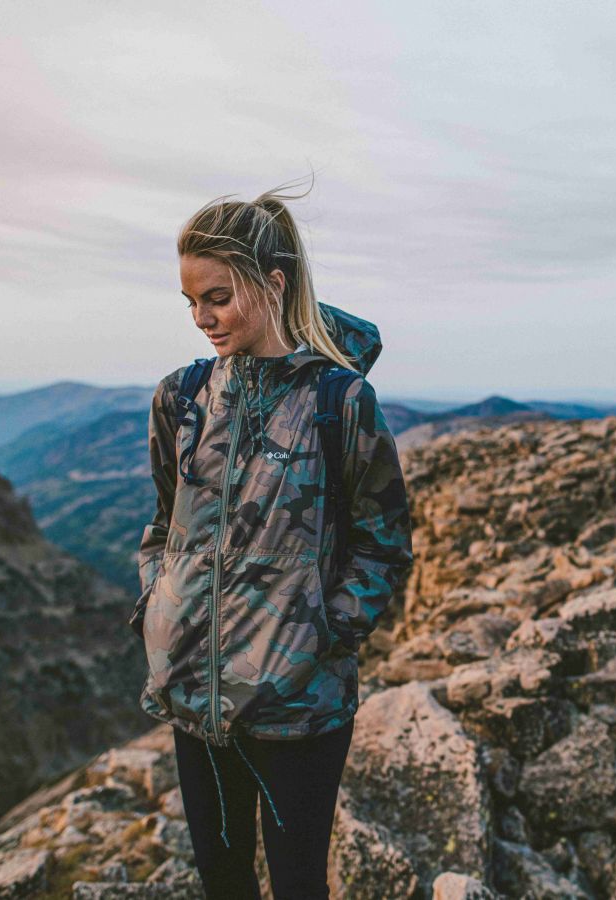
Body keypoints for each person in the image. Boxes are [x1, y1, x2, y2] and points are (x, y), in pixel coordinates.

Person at [130, 180, 414, 899]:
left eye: (218, 296)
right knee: (223, 887)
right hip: (195, 700)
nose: (202, 317)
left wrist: (323, 634)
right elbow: (164, 526)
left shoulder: (339, 402)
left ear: (273, 283)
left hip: (300, 711)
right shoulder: (182, 400)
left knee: (296, 889)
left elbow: (384, 545)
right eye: (191, 301)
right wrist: (159, 607)